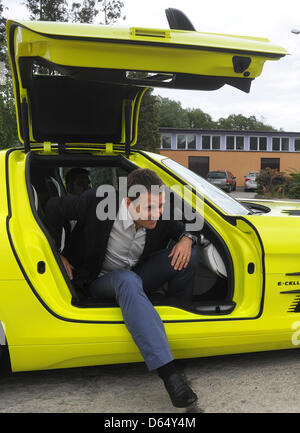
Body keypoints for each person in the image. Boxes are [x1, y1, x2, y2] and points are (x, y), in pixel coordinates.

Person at [45, 168, 198, 408]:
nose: (156, 214)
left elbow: (186, 227)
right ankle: (170, 376)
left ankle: (179, 324)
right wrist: (56, 253)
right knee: (126, 280)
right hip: (98, 281)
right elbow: (54, 207)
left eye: (159, 206)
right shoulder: (97, 201)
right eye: (149, 208)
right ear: (128, 202)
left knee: (187, 258)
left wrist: (187, 240)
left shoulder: (158, 213)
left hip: (136, 277)